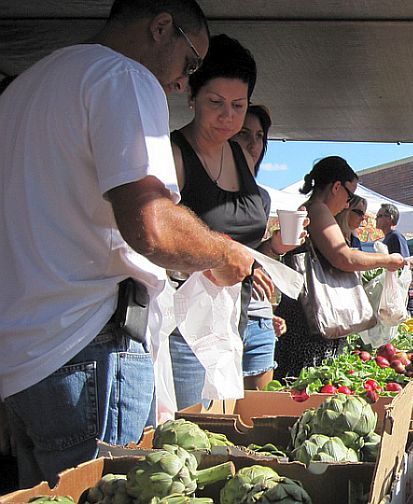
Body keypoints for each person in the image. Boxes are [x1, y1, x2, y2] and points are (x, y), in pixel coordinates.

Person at [0, 0, 255, 487]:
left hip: (22, 360)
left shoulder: (24, 88)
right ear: (162, 28)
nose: (184, 82)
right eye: (191, 62)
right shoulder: (122, 77)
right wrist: (223, 252)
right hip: (86, 352)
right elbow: (151, 224)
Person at [167, 34, 293, 409]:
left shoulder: (239, 155)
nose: (228, 116)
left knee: (223, 424)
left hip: (231, 319)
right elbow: (160, 237)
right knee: (193, 426)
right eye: (215, 102)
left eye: (238, 105)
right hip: (183, 325)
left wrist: (265, 257)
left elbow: (241, 240)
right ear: (192, 96)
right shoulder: (174, 155)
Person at [274, 156, 406, 378]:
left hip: (303, 319)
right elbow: (343, 257)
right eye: (350, 195)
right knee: (308, 388)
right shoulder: (318, 209)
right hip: (311, 324)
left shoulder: (310, 209)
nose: (348, 203)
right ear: (336, 187)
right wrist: (388, 261)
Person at [231, 104, 292, 389]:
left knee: (255, 417)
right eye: (244, 134)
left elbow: (252, 257)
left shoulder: (261, 198)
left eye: (259, 136)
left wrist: (274, 246)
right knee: (207, 417)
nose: (253, 144)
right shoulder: (200, 189)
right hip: (213, 320)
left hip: (258, 319)